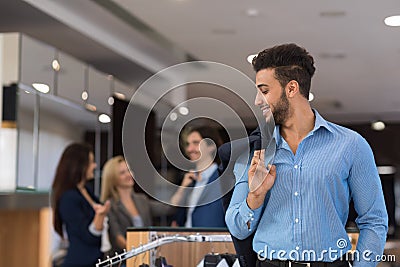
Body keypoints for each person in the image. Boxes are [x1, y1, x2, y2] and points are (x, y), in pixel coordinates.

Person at [225, 43, 388, 267]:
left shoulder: (351, 145)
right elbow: (236, 228)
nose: (257, 100)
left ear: (291, 89)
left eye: (264, 91)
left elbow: (374, 221)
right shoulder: (256, 151)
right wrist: (255, 196)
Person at [100, 155, 174, 256]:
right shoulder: (110, 205)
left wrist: (185, 186)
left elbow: (168, 208)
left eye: (129, 170)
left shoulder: (141, 200)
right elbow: (117, 237)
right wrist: (137, 252)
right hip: (124, 258)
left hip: (145, 256)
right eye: (122, 173)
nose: (128, 174)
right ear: (113, 179)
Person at [51, 143, 110, 267]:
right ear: (79, 165)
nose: (95, 165)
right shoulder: (69, 198)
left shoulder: (86, 190)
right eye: (91, 162)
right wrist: (100, 216)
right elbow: (89, 237)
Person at [170, 126, 226, 228]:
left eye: (196, 143)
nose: (189, 149)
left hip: (214, 242)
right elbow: (173, 211)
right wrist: (183, 188)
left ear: (211, 146)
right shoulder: (189, 180)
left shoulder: (224, 179)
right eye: (188, 144)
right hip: (188, 242)